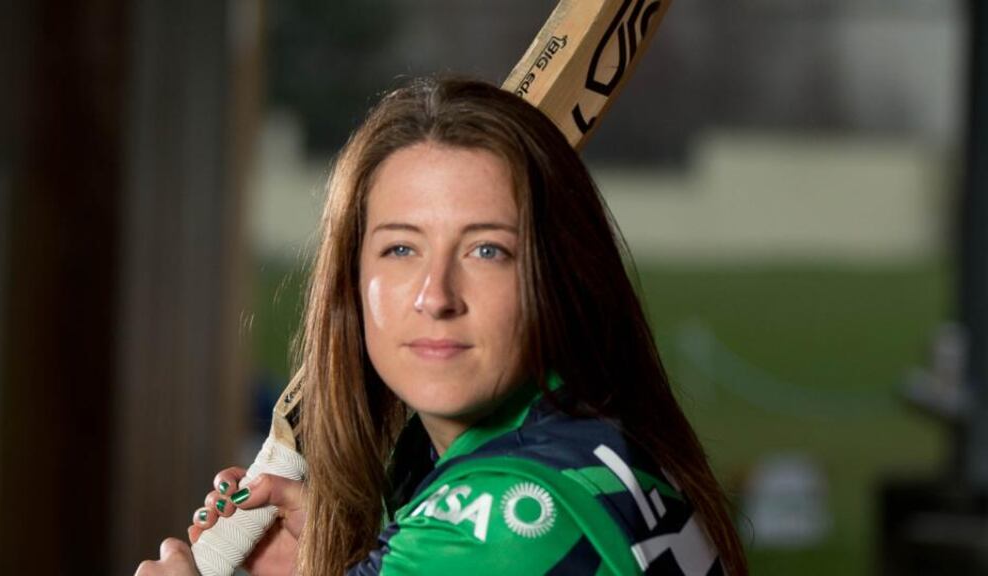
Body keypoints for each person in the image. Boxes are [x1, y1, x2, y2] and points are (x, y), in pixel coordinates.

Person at [136, 77, 748, 576]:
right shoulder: (594, 446)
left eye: (487, 251)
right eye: (401, 250)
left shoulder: (503, 521)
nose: (436, 296)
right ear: (351, 280)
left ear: (556, 277)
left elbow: (488, 548)